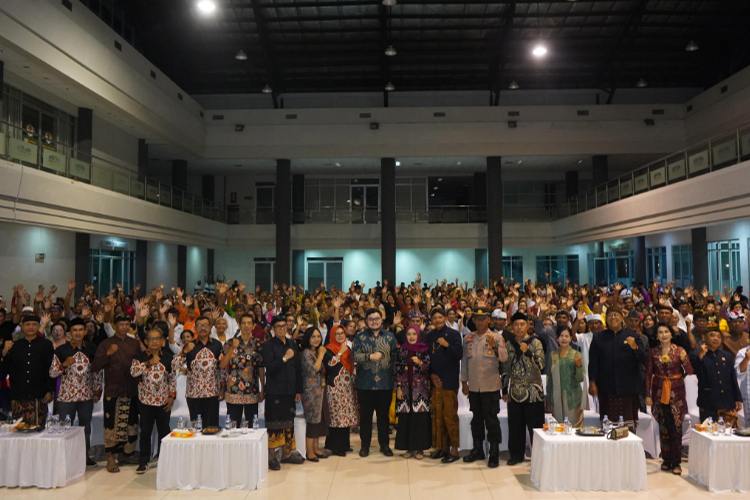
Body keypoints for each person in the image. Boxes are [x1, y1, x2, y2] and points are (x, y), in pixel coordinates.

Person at [91, 313, 142, 473]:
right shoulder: (106, 343)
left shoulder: (134, 343)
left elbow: (140, 363)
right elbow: (95, 366)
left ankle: (127, 454)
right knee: (111, 425)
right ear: (115, 326)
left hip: (132, 390)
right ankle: (110, 458)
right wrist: (108, 354)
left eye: (127, 324)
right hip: (113, 391)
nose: (125, 327)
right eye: (122, 324)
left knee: (131, 424)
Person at [49, 318, 102, 467]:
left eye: (81, 330)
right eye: (75, 330)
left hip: (86, 395)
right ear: (70, 333)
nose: (78, 333)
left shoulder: (91, 348)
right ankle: (64, 457)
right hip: (67, 396)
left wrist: (97, 391)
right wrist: (64, 365)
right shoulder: (61, 350)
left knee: (85, 427)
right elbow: (52, 373)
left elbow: (97, 372)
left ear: (85, 332)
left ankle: (84, 456)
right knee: (65, 427)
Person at [461, 307, 508, 468]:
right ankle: (477, 449)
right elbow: (465, 363)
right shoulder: (467, 338)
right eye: (477, 319)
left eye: (483, 319)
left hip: (491, 386)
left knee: (491, 420)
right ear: (473, 320)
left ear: (489, 320)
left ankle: (493, 452)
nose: (480, 322)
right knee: (477, 420)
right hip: (474, 386)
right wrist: (464, 382)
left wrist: (495, 346)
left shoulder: (496, 337)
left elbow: (503, 358)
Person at [588, 308, 647, 432]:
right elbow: (593, 363)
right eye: (610, 315)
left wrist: (635, 347)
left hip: (629, 389)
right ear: (606, 319)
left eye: (616, 314)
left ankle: (629, 451)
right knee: (608, 427)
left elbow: (644, 359)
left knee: (628, 427)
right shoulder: (598, 338)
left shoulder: (634, 336)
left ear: (622, 318)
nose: (613, 317)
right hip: (606, 388)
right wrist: (592, 382)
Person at [645, 322, 692, 475]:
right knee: (663, 425)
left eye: (666, 331)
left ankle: (677, 461)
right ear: (657, 336)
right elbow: (648, 375)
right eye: (660, 332)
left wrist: (685, 359)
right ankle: (666, 459)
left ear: (671, 334)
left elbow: (690, 371)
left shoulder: (680, 350)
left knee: (676, 426)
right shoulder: (653, 352)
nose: (664, 334)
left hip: (676, 392)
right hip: (659, 392)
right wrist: (648, 394)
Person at [352, 308, 399, 457]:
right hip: (365, 384)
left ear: (381, 320)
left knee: (383, 416)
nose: (374, 321)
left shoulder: (390, 337)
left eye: (377, 318)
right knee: (365, 417)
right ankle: (365, 445)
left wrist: (396, 381)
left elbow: (396, 359)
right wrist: (369, 356)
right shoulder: (360, 337)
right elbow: (354, 356)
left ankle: (384, 444)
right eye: (371, 319)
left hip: (385, 384)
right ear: (366, 321)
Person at [130, 328, 176, 474]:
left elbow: (173, 378)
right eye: (151, 339)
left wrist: (172, 397)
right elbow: (133, 372)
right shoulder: (139, 357)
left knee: (164, 431)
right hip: (145, 401)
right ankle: (144, 460)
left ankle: (165, 459)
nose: (155, 341)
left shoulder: (169, 357)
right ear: (146, 342)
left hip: (163, 401)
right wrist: (148, 363)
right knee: (145, 432)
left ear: (162, 341)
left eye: (157, 338)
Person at [262, 315, 305, 471]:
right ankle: (272, 457)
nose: (282, 329)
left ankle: (286, 454)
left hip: (290, 390)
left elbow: (298, 369)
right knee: (273, 425)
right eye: (278, 326)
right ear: (273, 329)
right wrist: (285, 358)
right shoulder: (268, 346)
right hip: (275, 391)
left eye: (284, 326)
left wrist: (298, 389)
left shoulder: (293, 344)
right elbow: (270, 367)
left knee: (289, 423)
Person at [503, 311, 545, 466]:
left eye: (522, 324)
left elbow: (541, 364)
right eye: (516, 324)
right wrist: (504, 390)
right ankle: (516, 455)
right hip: (514, 392)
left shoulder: (536, 343)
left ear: (528, 326)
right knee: (515, 426)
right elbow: (505, 369)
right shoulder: (508, 345)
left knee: (536, 427)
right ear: (511, 327)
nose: (519, 327)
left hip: (533, 392)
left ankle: (539, 456)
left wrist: (528, 351)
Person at [1, 314, 55, 425]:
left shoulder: (46, 344)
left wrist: (50, 390)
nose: (31, 327)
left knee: (39, 428)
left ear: (38, 326)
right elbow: (6, 369)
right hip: (18, 393)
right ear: (22, 327)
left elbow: (50, 368)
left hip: (39, 394)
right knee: (18, 428)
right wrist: (4, 353)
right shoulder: (14, 345)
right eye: (28, 325)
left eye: (34, 324)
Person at [425, 307, 463, 463]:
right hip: (435, 383)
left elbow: (459, 355)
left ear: (445, 318)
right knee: (437, 417)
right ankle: (441, 448)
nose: (437, 320)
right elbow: (426, 359)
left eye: (440, 317)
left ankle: (454, 450)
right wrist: (431, 375)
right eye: (434, 318)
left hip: (449, 382)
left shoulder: (454, 335)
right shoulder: (430, 336)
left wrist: (447, 345)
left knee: (449, 417)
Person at [690, 323, 743, 428]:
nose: (716, 338)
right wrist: (700, 356)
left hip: (727, 402)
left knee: (729, 435)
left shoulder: (726, 356)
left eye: (718, 336)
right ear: (704, 337)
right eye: (712, 335)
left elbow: (733, 378)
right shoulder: (697, 354)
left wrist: (738, 398)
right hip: (708, 403)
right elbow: (695, 373)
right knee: (709, 435)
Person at [178, 316, 223, 428]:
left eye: (205, 325)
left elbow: (222, 369)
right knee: (197, 429)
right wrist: (184, 352)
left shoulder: (217, 345)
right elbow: (175, 366)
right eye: (200, 326)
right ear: (195, 328)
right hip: (194, 394)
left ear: (210, 327)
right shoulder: (189, 345)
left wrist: (223, 387)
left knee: (212, 428)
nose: (203, 328)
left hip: (212, 393)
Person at [394, 325, 431, 459]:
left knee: (419, 419)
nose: (411, 337)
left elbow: (428, 369)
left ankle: (420, 448)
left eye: (414, 334)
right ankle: (408, 448)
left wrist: (420, 362)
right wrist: (398, 387)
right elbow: (397, 369)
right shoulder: (402, 350)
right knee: (406, 419)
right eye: (408, 334)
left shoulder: (424, 350)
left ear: (418, 335)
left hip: (420, 391)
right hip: (404, 389)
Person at [220, 314, 264, 426]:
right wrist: (232, 349)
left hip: (252, 391)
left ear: (253, 326)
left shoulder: (258, 344)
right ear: (239, 325)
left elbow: (260, 368)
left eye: (249, 323)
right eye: (243, 323)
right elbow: (222, 365)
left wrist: (263, 388)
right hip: (233, 391)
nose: (246, 326)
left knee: (251, 426)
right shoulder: (230, 343)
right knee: (233, 425)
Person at [323, 324, 359, 457]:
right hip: (335, 388)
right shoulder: (329, 349)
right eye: (337, 333)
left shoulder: (347, 349)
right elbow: (330, 364)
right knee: (337, 417)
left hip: (347, 386)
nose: (339, 336)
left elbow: (350, 365)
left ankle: (344, 444)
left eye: (342, 333)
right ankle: (335, 446)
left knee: (346, 416)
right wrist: (340, 352)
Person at [300, 327, 330, 462]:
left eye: (318, 336)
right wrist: (322, 355)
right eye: (313, 337)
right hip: (310, 391)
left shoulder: (316, 351)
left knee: (319, 419)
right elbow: (313, 370)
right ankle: (309, 450)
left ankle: (316, 447)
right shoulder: (306, 353)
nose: (317, 339)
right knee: (312, 419)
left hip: (320, 390)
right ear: (308, 338)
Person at [545, 325, 584, 428]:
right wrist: (548, 398)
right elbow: (549, 378)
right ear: (557, 338)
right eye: (561, 336)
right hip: (556, 396)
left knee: (573, 427)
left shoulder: (576, 354)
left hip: (572, 397)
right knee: (557, 427)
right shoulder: (552, 355)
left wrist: (579, 365)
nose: (564, 339)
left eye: (567, 336)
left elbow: (580, 378)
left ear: (571, 338)